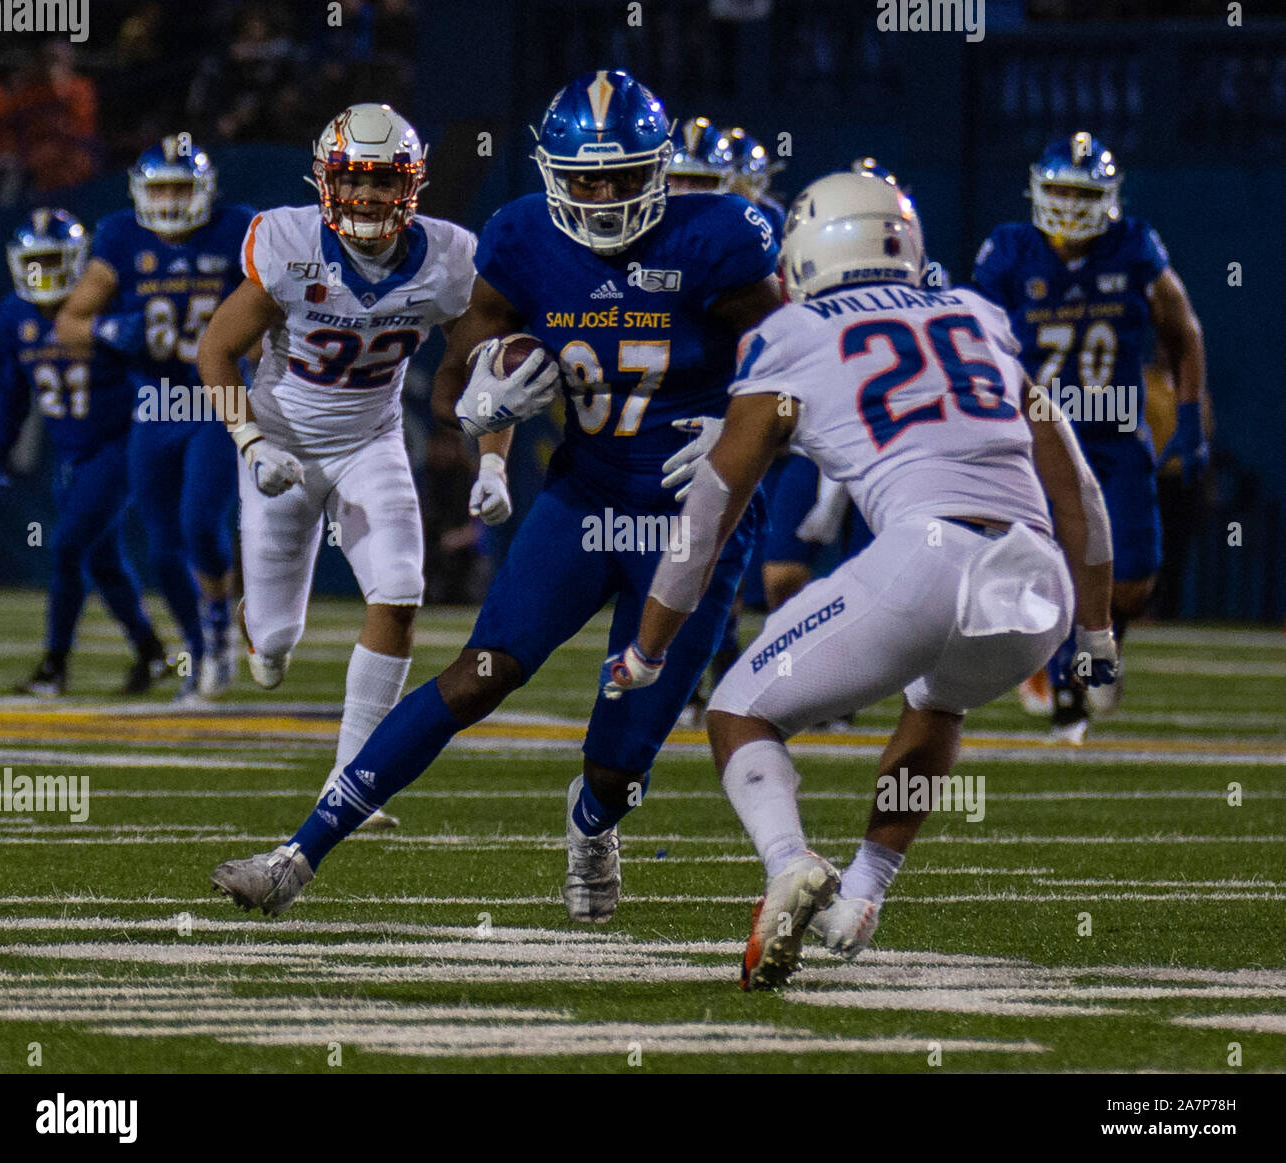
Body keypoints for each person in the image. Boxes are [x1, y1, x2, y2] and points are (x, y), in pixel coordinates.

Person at [209, 68, 782, 923]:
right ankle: (298, 854)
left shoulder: (722, 237)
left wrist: (748, 428)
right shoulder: (520, 238)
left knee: (618, 759)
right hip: (584, 501)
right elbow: (451, 380)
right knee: (478, 674)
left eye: (625, 176)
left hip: (698, 518)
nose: (603, 195)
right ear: (552, 172)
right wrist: (479, 403)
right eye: (585, 177)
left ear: (661, 169)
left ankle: (592, 823)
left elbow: (805, 362)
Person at [601, 168, 1118, 990]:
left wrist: (650, 647)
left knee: (738, 710)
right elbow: (1081, 492)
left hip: (926, 555)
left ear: (804, 254)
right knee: (937, 701)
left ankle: (787, 861)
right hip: (1036, 587)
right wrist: (1094, 638)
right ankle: (864, 896)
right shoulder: (976, 315)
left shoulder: (791, 332)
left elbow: (710, 510)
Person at [197, 103, 477, 831]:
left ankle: (351, 781)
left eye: (385, 180)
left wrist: (486, 413)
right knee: (277, 646)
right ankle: (256, 626)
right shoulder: (288, 242)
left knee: (402, 586)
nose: (368, 196)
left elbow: (476, 351)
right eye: (355, 179)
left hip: (371, 441)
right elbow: (214, 350)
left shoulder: (449, 259)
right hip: (282, 441)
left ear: (410, 186)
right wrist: (252, 443)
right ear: (327, 181)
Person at [973, 132, 1207, 740]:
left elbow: (1183, 330)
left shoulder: (1133, 247)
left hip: (1117, 436)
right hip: (1040, 438)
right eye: (1060, 190)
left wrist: (1187, 419)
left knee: (1135, 579)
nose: (1072, 204)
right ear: (1036, 189)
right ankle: (1065, 687)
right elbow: (972, 341)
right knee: (1056, 565)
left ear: (1108, 197)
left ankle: (1100, 647)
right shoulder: (1009, 251)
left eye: (1083, 192)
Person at [56, 136, 255, 703]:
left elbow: (271, 307)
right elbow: (70, 323)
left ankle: (219, 622)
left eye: (181, 188)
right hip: (155, 405)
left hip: (215, 402)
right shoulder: (120, 235)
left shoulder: (236, 227)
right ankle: (204, 648)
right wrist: (108, 330)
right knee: (163, 546)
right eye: (160, 187)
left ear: (205, 192)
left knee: (200, 523)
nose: (169, 200)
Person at [0, 209, 166, 696]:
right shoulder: (12, 316)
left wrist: (124, 332)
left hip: (121, 444)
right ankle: (151, 654)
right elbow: (10, 397)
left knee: (67, 547)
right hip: (73, 455)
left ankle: (53, 666)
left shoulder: (109, 304)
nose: (43, 274)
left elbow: (159, 359)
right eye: (35, 263)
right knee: (101, 559)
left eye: (53, 262)